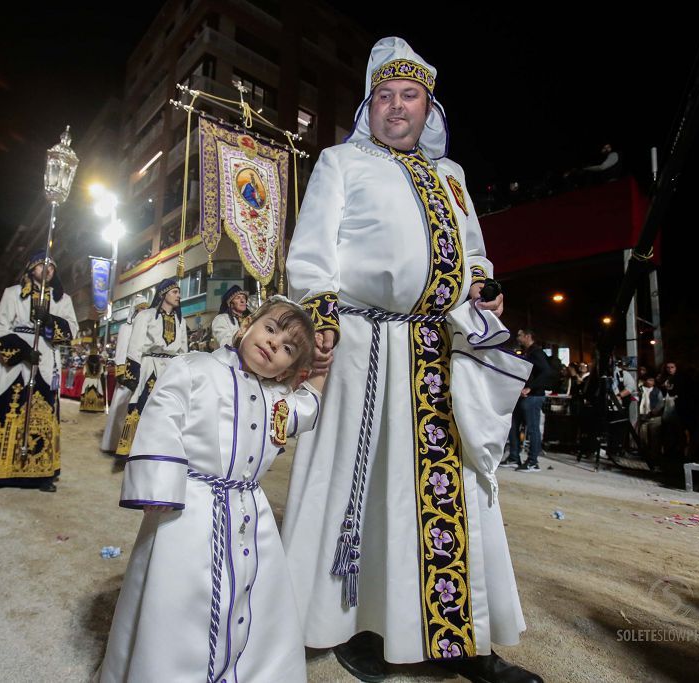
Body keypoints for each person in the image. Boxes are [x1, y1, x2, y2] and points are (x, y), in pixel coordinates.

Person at [281, 37, 540, 683]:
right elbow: (312, 254)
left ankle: (468, 639)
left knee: (463, 492)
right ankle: (356, 624)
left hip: (440, 348)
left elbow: (474, 251)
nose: (399, 107)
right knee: (367, 490)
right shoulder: (342, 162)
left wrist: (481, 282)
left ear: (430, 108)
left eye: (411, 96)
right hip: (364, 347)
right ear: (372, 106)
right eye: (387, 96)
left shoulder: (450, 177)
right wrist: (322, 319)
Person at [98, 298, 324, 683]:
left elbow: (306, 412)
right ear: (247, 324)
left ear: (290, 368)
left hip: (250, 513)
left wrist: (320, 375)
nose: (273, 344)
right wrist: (161, 488)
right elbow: (163, 415)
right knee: (177, 601)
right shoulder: (194, 367)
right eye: (270, 329)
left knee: (254, 597)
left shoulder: (276, 400)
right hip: (189, 509)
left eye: (287, 348)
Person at [0, 251, 78, 492]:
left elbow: (71, 329)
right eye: (42, 265)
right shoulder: (12, 293)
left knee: (43, 411)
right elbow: (0, 327)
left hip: (46, 356)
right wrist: (22, 351)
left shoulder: (63, 300)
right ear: (31, 268)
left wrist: (50, 320)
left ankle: (41, 474)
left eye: (51, 267)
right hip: (15, 359)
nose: (47, 270)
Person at [114, 278, 188, 456]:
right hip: (149, 366)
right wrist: (133, 375)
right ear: (164, 294)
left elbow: (183, 350)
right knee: (143, 405)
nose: (179, 296)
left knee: (169, 409)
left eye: (179, 292)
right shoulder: (145, 315)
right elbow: (135, 347)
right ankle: (135, 451)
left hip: (170, 369)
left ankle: (162, 449)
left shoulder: (181, 321)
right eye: (175, 292)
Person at [100, 295, 149, 452]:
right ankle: (112, 444)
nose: (143, 312)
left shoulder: (146, 328)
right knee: (120, 410)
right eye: (141, 309)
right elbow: (121, 351)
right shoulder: (126, 328)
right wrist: (121, 374)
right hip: (127, 374)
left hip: (141, 373)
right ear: (135, 311)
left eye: (146, 309)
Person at [503, 329, 556, 472]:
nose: (517, 338)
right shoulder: (528, 352)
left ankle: (533, 462)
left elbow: (547, 372)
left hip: (533, 397)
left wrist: (530, 388)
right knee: (513, 425)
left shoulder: (536, 353)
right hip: (523, 397)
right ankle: (514, 457)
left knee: (532, 429)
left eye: (519, 335)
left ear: (528, 336)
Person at [211, 284, 252, 349]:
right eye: (238, 298)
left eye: (244, 297)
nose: (242, 300)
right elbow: (225, 344)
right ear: (231, 304)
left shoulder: (250, 319)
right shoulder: (221, 319)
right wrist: (241, 334)